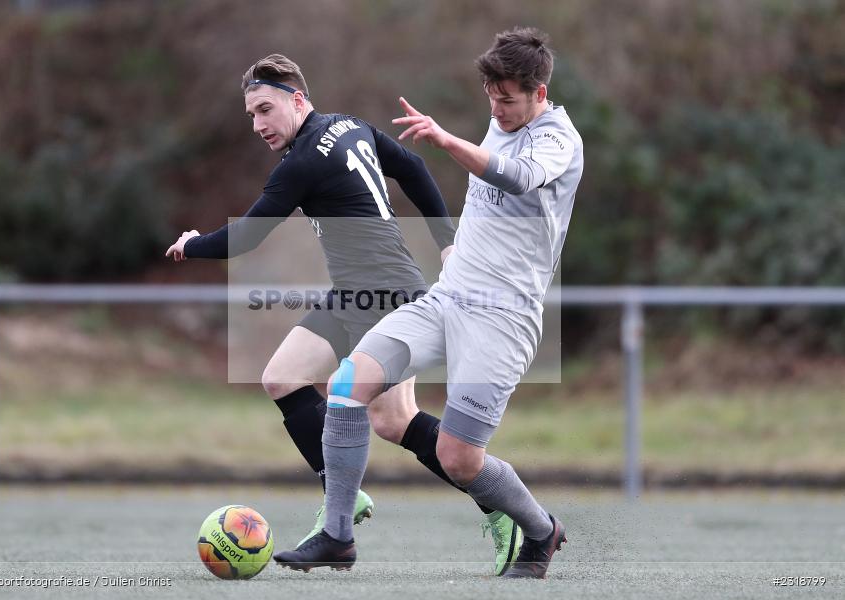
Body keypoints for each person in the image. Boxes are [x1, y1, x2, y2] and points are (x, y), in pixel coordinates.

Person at [165, 54, 521, 573]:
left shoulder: (302, 162)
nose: (260, 125)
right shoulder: (349, 126)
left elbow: (246, 236)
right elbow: (414, 167)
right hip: (352, 294)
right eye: (251, 116)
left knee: (394, 422)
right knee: (282, 377)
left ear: (298, 99)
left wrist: (193, 244)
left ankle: (502, 511)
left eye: (266, 109)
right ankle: (342, 496)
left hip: (387, 296)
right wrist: (445, 239)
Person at [274, 28, 583, 580]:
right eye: (491, 96)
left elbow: (513, 177)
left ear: (540, 93)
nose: (497, 109)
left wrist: (443, 140)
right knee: (348, 386)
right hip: (446, 299)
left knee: (458, 458)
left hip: (503, 318)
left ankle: (540, 530)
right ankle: (337, 536)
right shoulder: (503, 116)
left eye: (508, 99)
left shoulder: (559, 140)